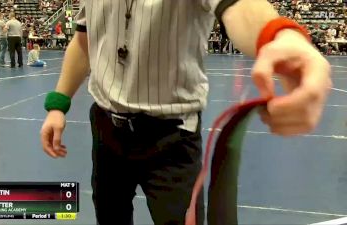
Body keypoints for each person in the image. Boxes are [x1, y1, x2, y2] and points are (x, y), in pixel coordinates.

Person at [40, 1, 332, 225]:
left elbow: (239, 7)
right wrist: (58, 104)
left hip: (171, 139)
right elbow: (84, 42)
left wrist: (280, 35)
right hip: (106, 129)